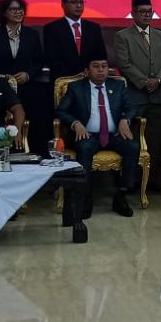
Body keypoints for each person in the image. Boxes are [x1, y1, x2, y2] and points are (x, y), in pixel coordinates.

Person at [57, 57, 138, 217]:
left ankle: (121, 195)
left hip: (114, 134)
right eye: (95, 66)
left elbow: (132, 108)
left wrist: (125, 119)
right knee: (84, 148)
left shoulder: (118, 85)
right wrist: (75, 123)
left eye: (104, 66)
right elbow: (61, 111)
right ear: (87, 71)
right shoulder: (76, 87)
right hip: (88, 134)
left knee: (132, 147)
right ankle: (85, 198)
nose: (101, 70)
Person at [113, 0, 161, 191]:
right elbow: (124, 64)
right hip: (135, 96)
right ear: (133, 13)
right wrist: (143, 82)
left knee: (155, 140)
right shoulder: (123, 36)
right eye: (142, 12)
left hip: (157, 97)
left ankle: (151, 180)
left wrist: (159, 80)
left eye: (150, 12)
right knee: (133, 140)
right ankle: (132, 181)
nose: (147, 15)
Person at [0, 0, 46, 151]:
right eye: (13, 9)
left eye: (20, 9)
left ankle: (30, 151)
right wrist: (2, 78)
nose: (18, 12)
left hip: (26, 87)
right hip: (0, 87)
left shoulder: (32, 34)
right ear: (4, 12)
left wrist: (28, 74)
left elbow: (39, 62)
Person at [42, 0, 107, 81]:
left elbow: (101, 55)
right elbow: (51, 59)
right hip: (64, 80)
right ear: (63, 4)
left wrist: (89, 73)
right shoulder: (52, 28)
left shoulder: (93, 28)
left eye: (81, 2)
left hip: (89, 80)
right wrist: (76, 77)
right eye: (74, 2)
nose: (79, 6)